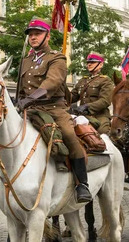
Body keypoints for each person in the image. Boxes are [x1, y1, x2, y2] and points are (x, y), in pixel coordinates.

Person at [15, 18, 92, 203]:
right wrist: (17, 102)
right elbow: (20, 88)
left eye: (37, 34)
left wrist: (31, 98)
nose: (33, 37)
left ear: (47, 36)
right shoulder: (26, 60)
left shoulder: (57, 58)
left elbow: (53, 82)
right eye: (31, 34)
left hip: (53, 108)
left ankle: (82, 184)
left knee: (69, 135)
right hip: (30, 109)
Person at [71, 52, 114, 134]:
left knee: (103, 132)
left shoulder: (105, 80)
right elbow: (73, 96)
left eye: (92, 62)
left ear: (100, 65)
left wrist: (87, 106)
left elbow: (105, 101)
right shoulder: (83, 80)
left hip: (99, 115)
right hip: (82, 114)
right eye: (88, 62)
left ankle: (114, 145)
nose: (89, 64)